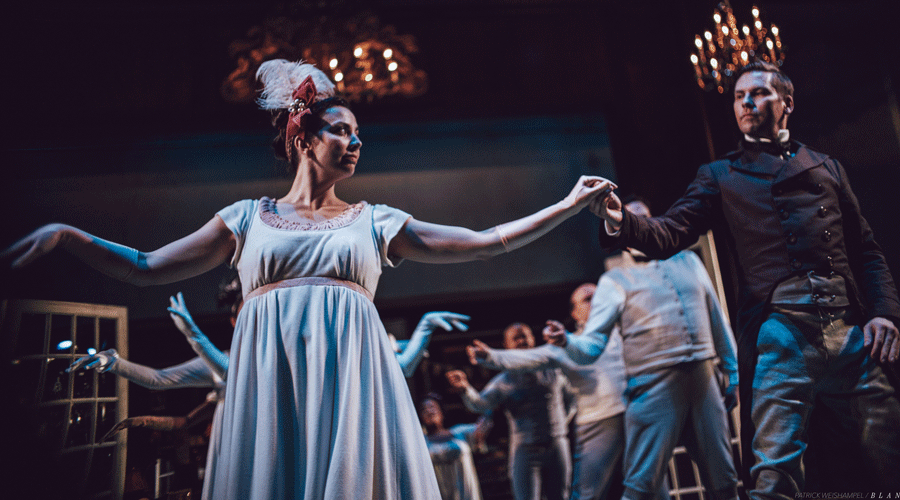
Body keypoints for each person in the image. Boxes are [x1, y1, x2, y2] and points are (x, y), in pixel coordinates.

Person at [1, 59, 613, 499]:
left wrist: (566, 205)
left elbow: (482, 246)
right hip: (272, 381)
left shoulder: (376, 222)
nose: (355, 142)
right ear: (302, 136)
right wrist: (68, 237)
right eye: (341, 130)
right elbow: (146, 266)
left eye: (358, 134)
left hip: (354, 379)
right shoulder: (245, 220)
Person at [590, 61, 900, 498]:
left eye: (758, 93)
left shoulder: (826, 167)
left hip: (847, 331)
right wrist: (621, 221)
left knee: (888, 449)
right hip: (783, 332)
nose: (747, 103)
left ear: (787, 102)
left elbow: (866, 251)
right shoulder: (721, 175)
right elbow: (670, 232)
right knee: (773, 472)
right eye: (739, 97)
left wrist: (885, 312)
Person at [464, 283, 629, 500]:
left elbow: (570, 400)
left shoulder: (624, 332)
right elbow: (522, 362)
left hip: (631, 417)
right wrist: (488, 357)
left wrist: (560, 426)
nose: (597, 301)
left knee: (648, 483)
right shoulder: (563, 348)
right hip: (593, 424)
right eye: (588, 299)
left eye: (600, 296)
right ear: (575, 313)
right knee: (588, 493)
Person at [69, 290, 235, 500]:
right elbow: (160, 381)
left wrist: (194, 334)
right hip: (229, 455)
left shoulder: (255, 365)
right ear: (234, 321)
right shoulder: (221, 364)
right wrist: (113, 364)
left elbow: (231, 371)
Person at [446, 323, 574, 500]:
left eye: (525, 336)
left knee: (561, 495)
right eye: (516, 338)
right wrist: (465, 388)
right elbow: (481, 404)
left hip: (557, 444)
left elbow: (571, 399)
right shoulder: (504, 380)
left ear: (533, 339)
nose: (522, 340)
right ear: (506, 347)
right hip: (526, 449)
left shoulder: (553, 370)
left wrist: (560, 425)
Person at [419, 393, 492, 500]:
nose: (429, 411)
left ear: (441, 412)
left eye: (432, 407)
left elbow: (485, 421)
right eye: (424, 410)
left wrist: (465, 392)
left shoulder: (461, 433)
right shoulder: (421, 444)